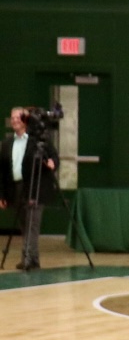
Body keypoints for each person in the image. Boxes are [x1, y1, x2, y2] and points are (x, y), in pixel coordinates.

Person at [1, 108, 59, 273]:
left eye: (18, 117)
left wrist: (52, 164)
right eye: (12, 118)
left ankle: (27, 258)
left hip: (35, 186)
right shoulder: (7, 144)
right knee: (24, 225)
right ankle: (32, 259)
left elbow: (53, 157)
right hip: (16, 188)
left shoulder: (36, 141)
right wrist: (2, 194)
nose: (14, 120)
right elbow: (2, 172)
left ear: (26, 120)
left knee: (33, 224)